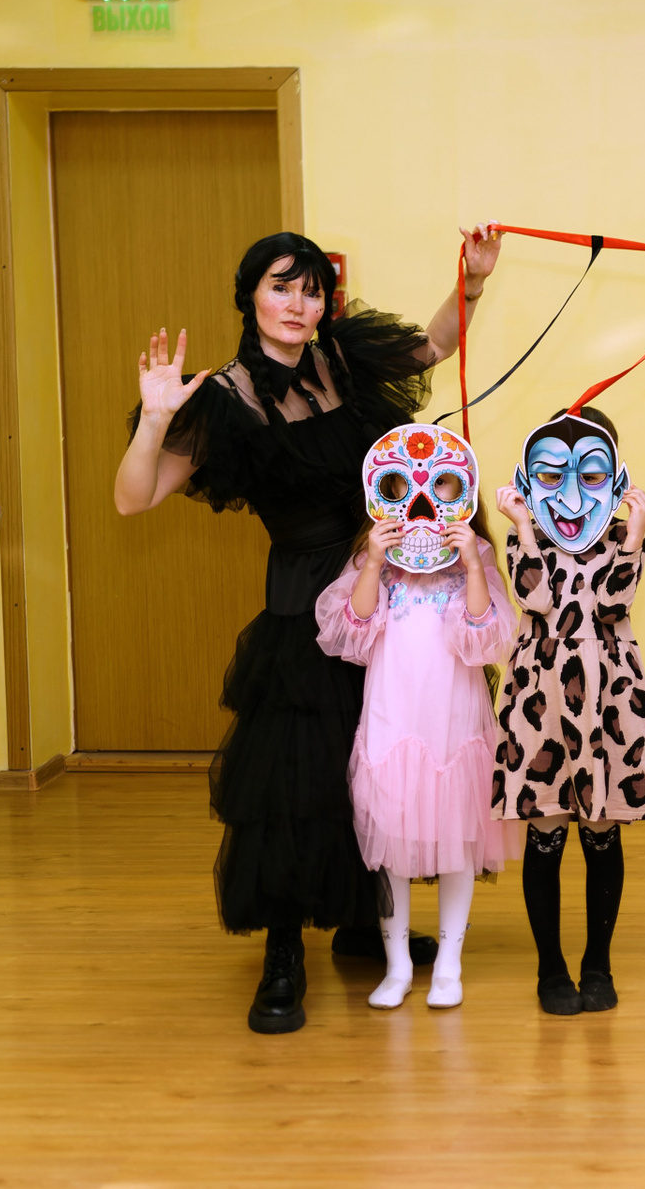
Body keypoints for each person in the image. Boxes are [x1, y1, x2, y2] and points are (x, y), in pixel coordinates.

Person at [113, 224, 502, 1033]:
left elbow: (433, 345)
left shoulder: (342, 363)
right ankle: (284, 953)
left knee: (382, 762)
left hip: (392, 593)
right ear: (249, 297)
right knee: (299, 782)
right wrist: (153, 419)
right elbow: (132, 498)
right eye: (281, 286)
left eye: (311, 289)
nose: (298, 303)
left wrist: (470, 282)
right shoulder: (222, 398)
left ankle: (364, 921)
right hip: (302, 605)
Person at [315, 486, 514, 1010]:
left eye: (441, 482)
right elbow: (353, 629)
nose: (424, 494)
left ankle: (449, 963)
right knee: (390, 840)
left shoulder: (473, 554)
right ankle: (397, 964)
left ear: (462, 488)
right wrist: (373, 560)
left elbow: (483, 637)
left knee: (457, 840)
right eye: (407, 484)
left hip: (452, 720)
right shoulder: (379, 557)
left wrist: (472, 564)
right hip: (392, 715)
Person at [493, 407, 645, 1017]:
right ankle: (550, 967)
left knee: (601, 828)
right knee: (546, 827)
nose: (570, 492)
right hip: (540, 692)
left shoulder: (619, 535)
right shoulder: (527, 533)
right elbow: (536, 598)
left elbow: (612, 606)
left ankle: (598, 964)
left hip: (610, 691)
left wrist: (635, 533)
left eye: (590, 476)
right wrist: (523, 525)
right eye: (552, 475)